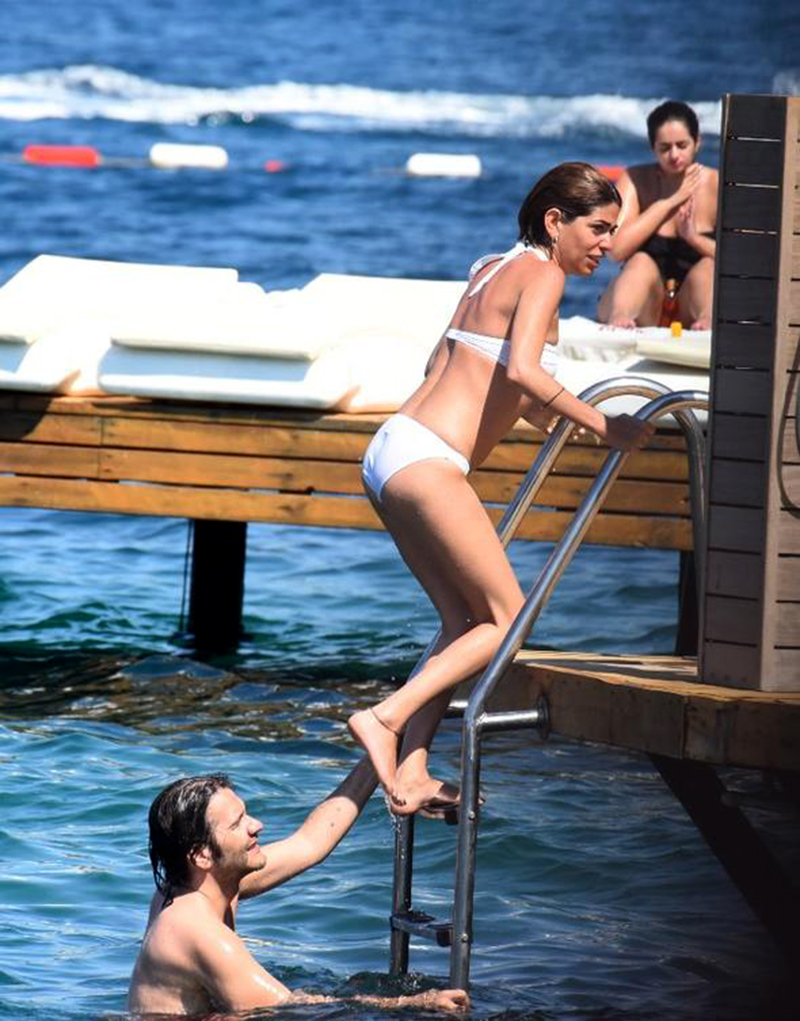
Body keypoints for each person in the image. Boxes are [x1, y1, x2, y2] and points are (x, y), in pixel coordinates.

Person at [349, 162, 655, 817]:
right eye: (599, 229)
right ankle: (385, 716)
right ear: (555, 221)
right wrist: (607, 425)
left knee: (464, 621)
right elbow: (522, 370)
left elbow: (457, 368)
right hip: (429, 460)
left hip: (393, 448)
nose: (609, 245)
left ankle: (413, 768)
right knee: (509, 618)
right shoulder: (543, 274)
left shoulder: (491, 267)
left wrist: (559, 419)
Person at [128, 766, 468, 1014]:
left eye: (246, 814)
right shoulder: (199, 933)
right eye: (237, 824)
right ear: (201, 855)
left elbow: (311, 842)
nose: (257, 825)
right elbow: (290, 1008)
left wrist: (380, 759)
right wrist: (413, 1003)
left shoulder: (194, 887)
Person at [597, 100, 718, 330]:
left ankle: (707, 322)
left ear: (697, 142)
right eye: (664, 148)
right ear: (652, 147)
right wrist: (668, 203)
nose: (674, 155)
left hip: (692, 305)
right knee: (640, 261)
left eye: (682, 145)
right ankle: (620, 319)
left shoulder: (716, 184)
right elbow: (616, 249)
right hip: (644, 304)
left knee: (707, 266)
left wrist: (693, 238)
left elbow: (738, 261)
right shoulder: (635, 180)